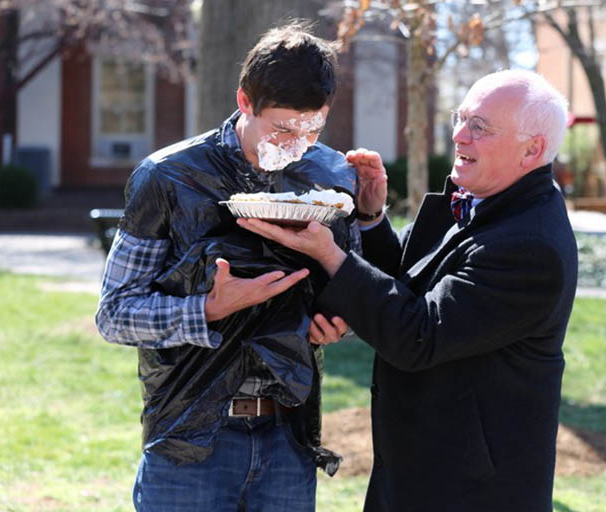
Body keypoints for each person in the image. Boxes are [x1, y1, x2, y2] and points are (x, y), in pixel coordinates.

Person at [240, 69, 578, 511]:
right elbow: (409, 287)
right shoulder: (486, 200)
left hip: (470, 492)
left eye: (481, 127)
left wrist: (330, 254)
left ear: (532, 148)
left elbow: (419, 335)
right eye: (461, 117)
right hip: (421, 472)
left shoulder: (530, 246)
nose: (459, 134)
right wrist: (371, 217)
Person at [96, 21, 354, 512]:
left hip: (289, 436)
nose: (297, 144)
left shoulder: (331, 174)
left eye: (312, 127)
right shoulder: (166, 177)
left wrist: (339, 323)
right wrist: (207, 309)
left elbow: (352, 284)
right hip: (190, 440)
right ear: (243, 101)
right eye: (281, 128)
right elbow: (113, 314)